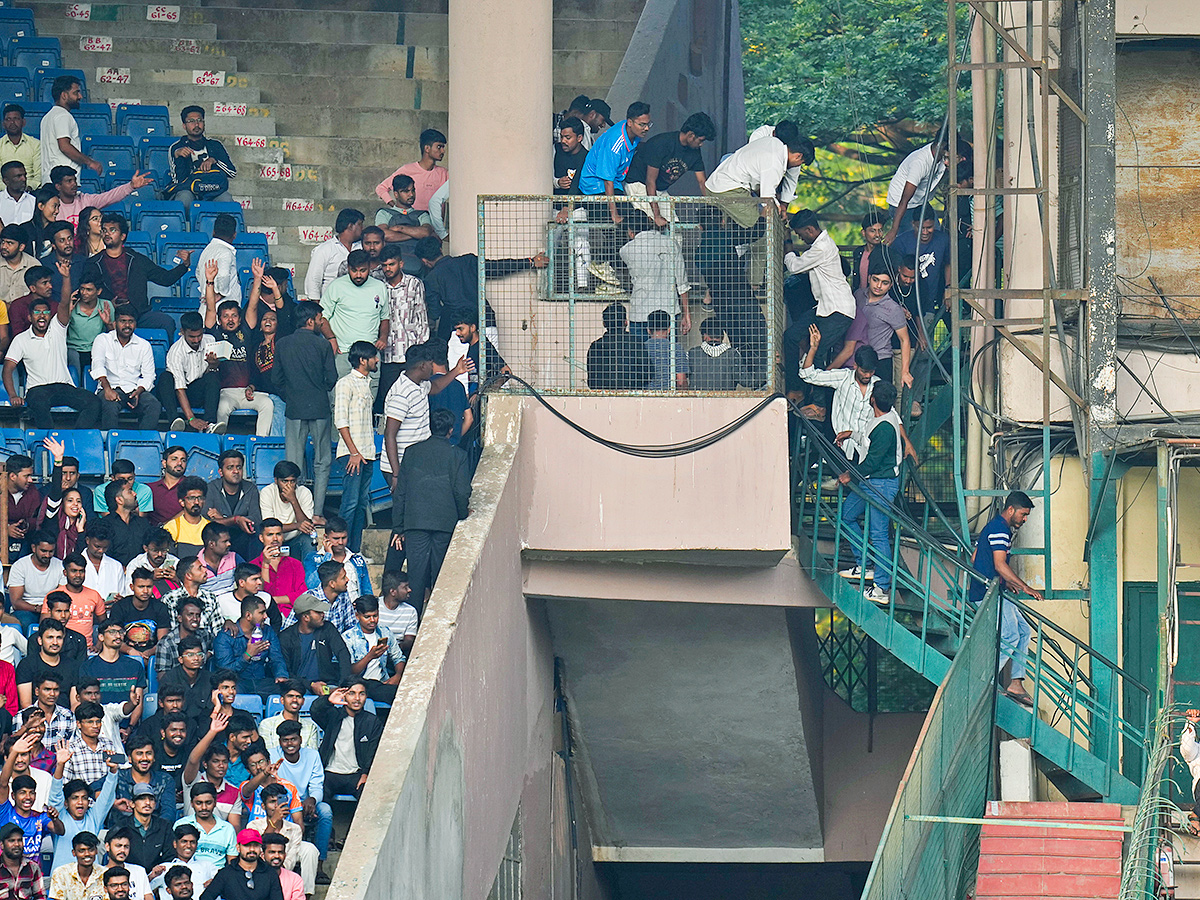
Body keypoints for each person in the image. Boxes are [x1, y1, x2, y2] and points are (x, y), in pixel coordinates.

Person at [968, 490, 1042, 706]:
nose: (1025, 519)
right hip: (987, 593)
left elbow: (976, 557)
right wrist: (1024, 586)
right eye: (1023, 514)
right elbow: (1000, 564)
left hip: (996, 588)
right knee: (1010, 634)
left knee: (1023, 630)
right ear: (1011, 509)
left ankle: (1016, 683)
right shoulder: (1000, 529)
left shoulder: (994, 528)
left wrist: (1006, 580)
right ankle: (985, 681)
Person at [395, 408, 471, 614]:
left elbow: (401, 491)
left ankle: (412, 623)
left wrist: (398, 526)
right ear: (450, 430)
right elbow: (461, 491)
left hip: (415, 522)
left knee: (416, 576)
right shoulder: (458, 455)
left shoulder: (412, 452)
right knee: (441, 575)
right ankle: (438, 619)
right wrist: (462, 514)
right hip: (444, 523)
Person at [834, 380, 904, 600]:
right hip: (871, 481)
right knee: (846, 516)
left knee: (879, 534)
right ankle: (865, 565)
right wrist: (851, 434)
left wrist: (849, 475)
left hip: (881, 483)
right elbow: (867, 441)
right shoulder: (883, 417)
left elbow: (872, 460)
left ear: (872, 399)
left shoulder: (885, 426)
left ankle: (882, 588)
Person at [273, 303, 338, 519]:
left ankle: (294, 514)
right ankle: (317, 513)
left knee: (292, 464)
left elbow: (276, 380)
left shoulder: (282, 344)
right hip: (319, 408)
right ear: (310, 320)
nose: (322, 322)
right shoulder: (323, 346)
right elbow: (331, 380)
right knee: (322, 462)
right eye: (320, 318)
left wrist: (290, 396)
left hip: (294, 409)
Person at [84, 213, 189, 335]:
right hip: (108, 315)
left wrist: (184, 265)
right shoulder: (93, 263)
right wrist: (107, 304)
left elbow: (165, 279)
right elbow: (86, 293)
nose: (107, 233)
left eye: (112, 230)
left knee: (166, 322)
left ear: (123, 236)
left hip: (139, 315)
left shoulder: (137, 260)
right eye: (104, 230)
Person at [784, 209, 858, 370]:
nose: (800, 238)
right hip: (824, 308)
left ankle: (815, 395)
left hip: (839, 310)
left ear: (809, 230)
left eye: (800, 234)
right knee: (791, 336)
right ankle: (795, 388)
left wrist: (787, 242)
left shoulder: (821, 248)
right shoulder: (820, 246)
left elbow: (794, 266)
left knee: (815, 351)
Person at [704, 130, 814, 227]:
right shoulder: (775, 164)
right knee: (758, 228)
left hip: (714, 183)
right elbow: (767, 199)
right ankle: (763, 250)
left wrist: (780, 205)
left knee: (720, 229)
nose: (798, 166)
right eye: (801, 163)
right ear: (798, 156)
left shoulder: (773, 142)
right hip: (729, 188)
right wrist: (778, 211)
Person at [623, 112, 715, 225]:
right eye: (701, 140)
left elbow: (702, 182)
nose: (701, 144)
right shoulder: (662, 143)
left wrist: (713, 208)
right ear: (691, 135)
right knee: (648, 231)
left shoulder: (694, 152)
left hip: (660, 191)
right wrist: (656, 216)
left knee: (675, 233)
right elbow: (650, 181)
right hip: (639, 186)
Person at [203, 292, 273, 438]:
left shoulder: (246, 332)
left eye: (234, 316)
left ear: (240, 319)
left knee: (267, 403)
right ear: (219, 319)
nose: (230, 319)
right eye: (225, 316)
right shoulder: (215, 333)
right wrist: (210, 281)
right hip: (225, 393)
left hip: (247, 392)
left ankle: (259, 442)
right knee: (221, 408)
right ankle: (217, 443)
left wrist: (257, 279)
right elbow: (210, 308)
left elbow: (253, 306)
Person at [318, 250, 387, 391]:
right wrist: (331, 338)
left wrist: (384, 337)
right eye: (354, 271)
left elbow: (384, 317)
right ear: (348, 268)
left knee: (368, 399)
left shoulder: (379, 287)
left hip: (370, 354)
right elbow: (322, 317)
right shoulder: (336, 286)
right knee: (338, 400)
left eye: (363, 270)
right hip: (342, 353)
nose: (358, 275)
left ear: (369, 267)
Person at [258, 737, 321, 888]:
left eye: (278, 801)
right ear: (263, 806)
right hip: (262, 866)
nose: (276, 806)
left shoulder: (294, 829)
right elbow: (260, 847)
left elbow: (291, 857)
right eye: (271, 802)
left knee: (310, 850)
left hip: (285, 864)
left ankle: (305, 894)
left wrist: (282, 871)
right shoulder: (254, 825)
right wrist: (274, 821)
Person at [334, 341, 379, 552]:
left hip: (367, 453)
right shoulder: (346, 383)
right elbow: (341, 422)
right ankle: (341, 548)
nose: (377, 360)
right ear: (363, 360)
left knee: (361, 505)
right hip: (352, 454)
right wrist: (353, 452)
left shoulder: (366, 383)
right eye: (373, 357)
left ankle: (354, 550)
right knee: (350, 504)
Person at [577, 102, 652, 228]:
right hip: (594, 186)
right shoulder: (615, 144)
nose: (646, 128)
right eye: (642, 125)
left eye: (648, 124)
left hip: (615, 184)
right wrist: (614, 215)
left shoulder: (634, 134)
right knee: (622, 226)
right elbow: (607, 181)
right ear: (629, 122)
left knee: (635, 221)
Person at [619, 211, 691, 340]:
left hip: (640, 311)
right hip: (668, 312)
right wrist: (687, 314)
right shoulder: (671, 244)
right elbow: (682, 283)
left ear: (630, 232)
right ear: (649, 222)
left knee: (639, 357)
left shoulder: (625, 250)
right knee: (668, 356)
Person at [883, 137, 969, 245]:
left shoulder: (943, 157)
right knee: (911, 244)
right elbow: (904, 200)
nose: (947, 159)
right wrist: (894, 229)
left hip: (921, 202)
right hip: (903, 205)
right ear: (940, 146)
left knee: (937, 238)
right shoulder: (920, 163)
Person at [90, 306, 161, 429]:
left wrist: (138, 392)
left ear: (135, 324)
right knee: (110, 405)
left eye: (131, 321)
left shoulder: (144, 345)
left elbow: (149, 376)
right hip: (110, 387)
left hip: (134, 389)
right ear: (115, 323)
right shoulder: (102, 340)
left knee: (154, 405)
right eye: (123, 321)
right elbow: (98, 365)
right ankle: (111, 443)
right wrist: (107, 389)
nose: (127, 325)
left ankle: (143, 442)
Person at [310, 682, 382, 801]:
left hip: (356, 774)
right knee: (318, 802)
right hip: (329, 773)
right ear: (344, 695)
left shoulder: (372, 721)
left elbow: (373, 750)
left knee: (369, 798)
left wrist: (365, 774)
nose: (357, 698)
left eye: (362, 694)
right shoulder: (333, 715)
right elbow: (315, 711)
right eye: (352, 693)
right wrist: (328, 700)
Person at [377, 244, 429, 409]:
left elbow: (422, 318)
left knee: (413, 398)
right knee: (389, 399)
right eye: (384, 265)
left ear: (401, 264)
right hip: (387, 355)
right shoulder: (378, 287)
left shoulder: (414, 284)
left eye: (391, 264)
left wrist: (421, 352)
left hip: (410, 353)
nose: (387, 269)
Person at [0, 734, 65, 852]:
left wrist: (55, 819)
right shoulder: (6, 813)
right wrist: (15, 750)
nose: (28, 797)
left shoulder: (39, 818)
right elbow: (3, 784)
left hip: (33, 869)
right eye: (22, 793)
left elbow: (60, 831)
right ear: (13, 796)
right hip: (7, 868)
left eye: (31, 793)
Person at [278, 595, 351, 697]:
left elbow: (343, 654)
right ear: (306, 617)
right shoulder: (286, 637)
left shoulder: (328, 628)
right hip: (299, 687)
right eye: (318, 612)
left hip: (328, 684)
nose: (323, 615)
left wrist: (343, 685)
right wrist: (311, 685)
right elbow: (286, 671)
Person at [214, 596, 287, 696]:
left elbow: (277, 658)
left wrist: (281, 675)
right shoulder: (226, 636)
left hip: (262, 681)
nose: (266, 616)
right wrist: (247, 655)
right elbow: (225, 671)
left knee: (287, 693)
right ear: (248, 615)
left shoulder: (267, 631)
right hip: (237, 683)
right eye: (261, 613)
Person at [163, 316, 223, 436]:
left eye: (199, 335)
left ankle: (210, 424)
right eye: (192, 337)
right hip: (177, 394)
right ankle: (175, 421)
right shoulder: (175, 352)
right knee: (165, 378)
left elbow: (208, 375)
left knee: (212, 376)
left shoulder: (210, 340)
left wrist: (213, 365)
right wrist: (191, 418)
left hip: (196, 391)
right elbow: (179, 388)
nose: (196, 340)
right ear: (182, 332)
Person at [889, 210, 952, 324]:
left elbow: (949, 263)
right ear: (913, 224)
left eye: (929, 227)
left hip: (929, 302)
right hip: (905, 303)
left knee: (926, 337)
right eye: (921, 228)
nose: (925, 232)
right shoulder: (900, 242)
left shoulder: (943, 240)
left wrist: (948, 288)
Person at [341, 595, 404, 705]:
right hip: (360, 685)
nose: (372, 620)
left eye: (375, 615)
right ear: (357, 616)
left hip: (383, 683)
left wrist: (398, 675)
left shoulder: (385, 632)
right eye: (367, 617)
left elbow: (398, 657)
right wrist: (370, 656)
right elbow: (349, 671)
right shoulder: (348, 638)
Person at [51, 166, 153, 232]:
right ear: (58, 186)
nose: (74, 184)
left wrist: (131, 186)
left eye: (74, 180)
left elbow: (110, 197)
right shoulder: (53, 207)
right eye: (69, 181)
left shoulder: (86, 200)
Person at [167, 108, 235, 206]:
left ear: (204, 123)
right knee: (184, 199)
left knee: (226, 199)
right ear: (184, 126)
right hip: (188, 190)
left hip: (212, 189)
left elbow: (232, 172)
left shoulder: (215, 145)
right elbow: (178, 181)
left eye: (199, 120)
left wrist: (213, 160)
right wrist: (178, 158)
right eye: (191, 121)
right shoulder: (176, 148)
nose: (196, 124)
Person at [40, 75, 102, 180]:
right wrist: (90, 162)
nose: (80, 96)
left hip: (50, 179)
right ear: (64, 95)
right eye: (75, 92)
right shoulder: (63, 115)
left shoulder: (48, 117)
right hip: (63, 182)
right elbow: (64, 146)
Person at [373, 128, 448, 211]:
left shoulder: (443, 173)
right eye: (439, 147)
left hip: (435, 223)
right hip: (412, 222)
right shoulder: (407, 170)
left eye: (443, 147)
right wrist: (397, 208)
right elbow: (381, 188)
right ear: (427, 148)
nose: (443, 151)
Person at [205, 451, 260, 562]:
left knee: (257, 533)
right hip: (218, 539)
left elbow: (256, 520)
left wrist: (222, 518)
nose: (235, 471)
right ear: (221, 472)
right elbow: (207, 521)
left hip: (243, 538)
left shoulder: (250, 489)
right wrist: (237, 520)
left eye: (239, 467)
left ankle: (252, 571)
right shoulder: (211, 488)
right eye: (230, 468)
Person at [197, 829, 281, 900]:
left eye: (255, 845)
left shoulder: (270, 873)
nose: (251, 849)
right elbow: (206, 897)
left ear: (260, 848)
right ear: (238, 848)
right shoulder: (226, 873)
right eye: (247, 845)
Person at [256, 464, 315, 563]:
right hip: (274, 541)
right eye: (284, 481)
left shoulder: (304, 492)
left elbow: (307, 527)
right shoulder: (267, 492)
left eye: (292, 481)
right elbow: (270, 527)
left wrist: (293, 500)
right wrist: (297, 525)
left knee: (308, 540)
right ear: (276, 480)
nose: (289, 485)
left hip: (295, 540)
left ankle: (309, 576)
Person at [108, 782, 173, 871]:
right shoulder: (121, 827)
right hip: (128, 876)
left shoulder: (164, 826)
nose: (147, 803)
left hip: (159, 877)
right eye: (142, 799)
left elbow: (170, 856)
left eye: (151, 799)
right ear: (132, 804)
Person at [79, 619, 146, 706]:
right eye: (112, 632)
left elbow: (138, 703)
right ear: (101, 637)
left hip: (127, 716)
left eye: (121, 632)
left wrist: (132, 720)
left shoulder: (135, 666)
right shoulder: (88, 667)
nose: (118, 636)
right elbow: (84, 701)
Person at [374, 177, 432, 275]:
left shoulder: (422, 214)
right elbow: (383, 235)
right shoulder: (384, 213)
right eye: (405, 191)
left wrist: (399, 228)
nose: (411, 194)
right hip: (390, 266)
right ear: (396, 194)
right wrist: (414, 234)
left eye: (413, 190)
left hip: (418, 266)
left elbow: (426, 232)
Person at [302, 209, 363, 302]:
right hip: (331, 304)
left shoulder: (362, 247)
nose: (362, 228)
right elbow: (313, 280)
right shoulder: (324, 249)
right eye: (360, 224)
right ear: (350, 226)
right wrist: (317, 307)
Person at [109, 569, 171, 659]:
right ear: (132, 587)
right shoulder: (120, 607)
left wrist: (149, 653)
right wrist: (130, 650)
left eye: (149, 587)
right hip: (124, 655)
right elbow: (113, 638)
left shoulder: (160, 607)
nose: (145, 591)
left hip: (153, 656)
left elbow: (163, 641)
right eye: (141, 587)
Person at [586, 302, 649, 390]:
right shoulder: (636, 343)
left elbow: (592, 381)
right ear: (626, 322)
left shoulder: (595, 347)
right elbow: (647, 374)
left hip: (603, 397)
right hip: (632, 395)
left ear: (604, 323)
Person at [15, 618, 74, 710]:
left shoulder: (72, 665)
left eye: (59, 638)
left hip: (66, 719)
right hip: (36, 719)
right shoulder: (27, 664)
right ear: (40, 640)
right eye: (50, 637)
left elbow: (75, 703)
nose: (55, 642)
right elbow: (26, 704)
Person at [252, 521, 305, 623]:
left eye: (278, 534)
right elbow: (260, 595)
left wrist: (274, 600)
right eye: (270, 535)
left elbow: (302, 594)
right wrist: (265, 564)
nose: (275, 539)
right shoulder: (253, 566)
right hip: (265, 617)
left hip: (292, 616)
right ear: (261, 538)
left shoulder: (295, 564)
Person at [8, 533, 64, 630]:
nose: (47, 555)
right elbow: (16, 602)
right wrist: (37, 608)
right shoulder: (20, 566)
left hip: (52, 610)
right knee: (25, 621)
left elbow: (61, 595)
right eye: (44, 551)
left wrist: (47, 609)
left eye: (51, 551)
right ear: (34, 548)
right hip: (26, 610)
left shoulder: (60, 566)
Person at [686, 319, 749, 391]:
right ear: (722, 336)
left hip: (698, 400)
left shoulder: (692, 353)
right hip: (725, 400)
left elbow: (681, 378)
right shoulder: (733, 354)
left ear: (705, 336)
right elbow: (745, 381)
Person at [155, 597, 208, 683]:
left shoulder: (204, 635)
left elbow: (220, 644)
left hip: (200, 688)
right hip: (175, 690)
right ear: (180, 618)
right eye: (190, 614)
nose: (195, 619)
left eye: (197, 615)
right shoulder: (166, 642)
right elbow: (162, 677)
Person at [101, 482, 152, 568]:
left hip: (141, 576)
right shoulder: (105, 525)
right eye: (130, 491)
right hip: (114, 575)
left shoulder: (143, 523)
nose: (135, 494)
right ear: (119, 500)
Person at [259, 682, 319, 752]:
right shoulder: (267, 725)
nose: (294, 700)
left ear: (303, 701)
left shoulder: (311, 727)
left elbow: (311, 755)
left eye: (298, 697)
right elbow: (268, 754)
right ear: (282, 700)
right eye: (290, 696)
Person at [49, 830, 108, 900]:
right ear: (74, 853)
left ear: (96, 851)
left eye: (91, 850)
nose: (87, 854)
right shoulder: (61, 873)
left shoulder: (105, 873)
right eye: (82, 851)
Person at [80, 522, 127, 601]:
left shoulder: (116, 566)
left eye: (105, 547)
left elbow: (122, 594)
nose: (101, 551)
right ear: (87, 540)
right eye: (97, 546)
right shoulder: (74, 565)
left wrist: (119, 601)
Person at [0, 821, 47, 900]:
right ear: (2, 845)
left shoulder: (33, 867)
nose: (17, 844)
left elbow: (40, 896)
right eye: (11, 841)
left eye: (19, 840)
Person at [165, 481, 210, 559]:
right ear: (182, 502)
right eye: (192, 498)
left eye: (200, 498)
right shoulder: (172, 527)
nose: (196, 502)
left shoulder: (210, 527)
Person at [0, 107, 39, 190]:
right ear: (3, 124)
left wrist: (27, 187)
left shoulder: (35, 144)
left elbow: (38, 176)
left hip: (30, 191)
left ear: (23, 122)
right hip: (3, 192)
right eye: (8, 119)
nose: (12, 123)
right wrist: (10, 189)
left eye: (16, 119)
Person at [198, 524, 241, 599]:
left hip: (232, 604)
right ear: (211, 544)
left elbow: (248, 576)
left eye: (229, 540)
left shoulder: (234, 557)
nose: (229, 544)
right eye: (225, 541)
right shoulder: (196, 565)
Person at [0, 224, 37, 311]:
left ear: (21, 247)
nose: (4, 246)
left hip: (24, 317)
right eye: (2, 242)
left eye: (9, 243)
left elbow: (38, 299)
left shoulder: (33, 266)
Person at [259, 832, 306, 900]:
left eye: (280, 852)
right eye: (272, 852)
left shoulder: (295, 879)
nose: (277, 856)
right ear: (262, 855)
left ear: (285, 855)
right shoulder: (255, 877)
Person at [149, 449, 189, 529]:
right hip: (156, 537)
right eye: (174, 459)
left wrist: (166, 526)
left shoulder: (192, 486)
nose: (179, 463)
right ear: (164, 463)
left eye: (183, 460)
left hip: (185, 535)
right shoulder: (151, 489)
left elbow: (193, 510)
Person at [553, 117, 588, 195]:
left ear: (579, 138)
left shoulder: (587, 157)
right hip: (555, 205)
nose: (563, 141)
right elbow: (543, 177)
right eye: (561, 137)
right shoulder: (555, 149)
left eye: (568, 138)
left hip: (579, 206)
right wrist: (557, 183)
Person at [0, 161, 33, 233]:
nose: (24, 179)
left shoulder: (34, 201)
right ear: (6, 181)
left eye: (25, 175)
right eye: (18, 176)